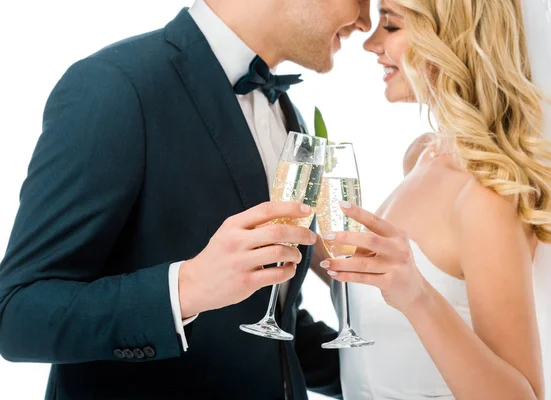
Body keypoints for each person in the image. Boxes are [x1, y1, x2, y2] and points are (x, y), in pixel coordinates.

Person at [0, 0, 372, 399]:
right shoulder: (116, 84)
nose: (367, 21)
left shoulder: (286, 113)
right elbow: (16, 316)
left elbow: (260, 322)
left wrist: (404, 367)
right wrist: (186, 288)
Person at [313, 0, 551, 398]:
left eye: (391, 26)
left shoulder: (484, 197)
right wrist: (303, 237)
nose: (370, 43)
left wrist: (418, 297)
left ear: (453, 38)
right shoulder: (422, 156)